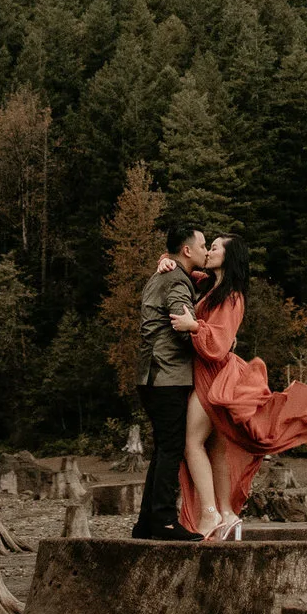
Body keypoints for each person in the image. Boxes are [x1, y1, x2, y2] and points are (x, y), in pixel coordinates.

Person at [169, 235, 307, 541]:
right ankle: (227, 514)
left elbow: (219, 342)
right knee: (214, 447)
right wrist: (168, 261)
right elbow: (187, 271)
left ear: (229, 257)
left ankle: (209, 514)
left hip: (213, 377)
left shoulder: (231, 297)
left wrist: (193, 327)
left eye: (214, 247)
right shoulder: (214, 287)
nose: (209, 251)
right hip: (209, 374)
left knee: (190, 442)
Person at [129, 224, 208, 541]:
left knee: (163, 448)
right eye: (202, 245)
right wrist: (209, 340)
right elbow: (181, 323)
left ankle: (146, 523)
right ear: (187, 250)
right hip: (167, 377)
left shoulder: (167, 273)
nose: (205, 249)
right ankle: (163, 521)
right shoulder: (176, 279)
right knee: (172, 448)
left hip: (152, 376)